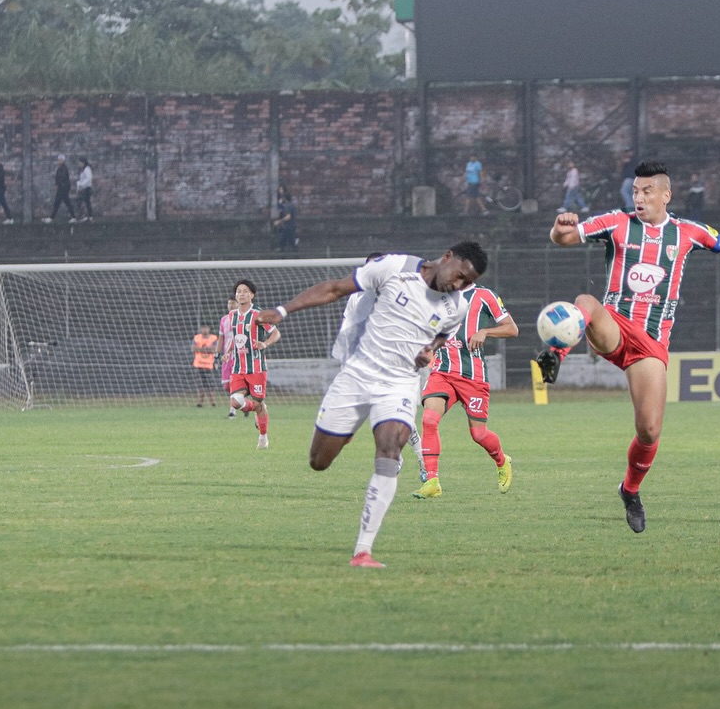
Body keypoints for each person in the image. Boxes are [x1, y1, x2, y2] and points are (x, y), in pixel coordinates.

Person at [538, 161, 720, 533]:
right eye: (635, 192)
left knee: (649, 431)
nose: (638, 198)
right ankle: (553, 356)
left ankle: (630, 490)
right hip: (615, 326)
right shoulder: (617, 224)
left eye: (647, 191)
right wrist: (559, 229)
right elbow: (565, 239)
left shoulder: (689, 232)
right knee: (586, 301)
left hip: (650, 344)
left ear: (666, 195)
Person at [255, 242, 486, 567]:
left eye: (467, 282)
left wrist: (429, 350)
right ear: (446, 258)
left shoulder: (456, 306)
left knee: (390, 450)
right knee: (318, 461)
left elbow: (443, 335)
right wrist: (281, 311)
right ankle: (345, 430)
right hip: (359, 374)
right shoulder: (395, 267)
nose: (459, 284)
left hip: (400, 382)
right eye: (459, 275)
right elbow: (334, 288)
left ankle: (363, 550)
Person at [412, 281, 519, 499]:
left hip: (473, 376)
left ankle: (502, 461)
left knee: (478, 434)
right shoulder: (438, 298)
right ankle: (432, 481)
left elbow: (512, 328)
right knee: (429, 420)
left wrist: (485, 332)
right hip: (442, 372)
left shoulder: (484, 296)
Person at [221, 280, 280, 448]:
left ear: (251, 295)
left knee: (258, 403)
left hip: (256, 367)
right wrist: (228, 352)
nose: (241, 294)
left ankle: (263, 437)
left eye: (245, 291)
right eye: (238, 291)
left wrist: (264, 344)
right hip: (238, 368)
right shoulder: (231, 316)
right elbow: (235, 337)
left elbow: (276, 334)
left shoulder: (258, 315)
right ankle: (258, 408)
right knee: (235, 402)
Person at [219, 296, 239, 418]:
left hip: (240, 356)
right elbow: (221, 338)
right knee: (227, 385)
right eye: (229, 303)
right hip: (227, 356)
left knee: (235, 384)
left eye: (233, 303)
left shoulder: (242, 318)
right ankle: (242, 404)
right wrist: (217, 354)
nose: (230, 305)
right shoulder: (224, 320)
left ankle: (232, 411)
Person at [42, 154, 75, 224]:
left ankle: (72, 217)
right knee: (61, 202)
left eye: (60, 160)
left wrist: (58, 184)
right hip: (61, 188)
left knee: (62, 202)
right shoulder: (60, 168)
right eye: (58, 160)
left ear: (63, 161)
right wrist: (56, 184)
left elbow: (62, 178)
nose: (59, 161)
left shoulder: (64, 169)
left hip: (63, 189)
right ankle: (72, 216)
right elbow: (58, 178)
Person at [192, 323, 219, 408]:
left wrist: (200, 349)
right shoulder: (197, 337)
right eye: (203, 328)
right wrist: (207, 349)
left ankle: (212, 402)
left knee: (211, 385)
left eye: (206, 328)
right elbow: (193, 349)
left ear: (209, 329)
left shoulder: (213, 338)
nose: (204, 330)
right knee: (200, 384)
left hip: (209, 365)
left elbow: (214, 349)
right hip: (198, 364)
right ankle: (200, 402)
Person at [271, 186, 297, 253]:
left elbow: (288, 216)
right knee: (291, 244)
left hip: (287, 228)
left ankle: (283, 258)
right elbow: (281, 209)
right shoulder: (291, 205)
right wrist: (279, 203)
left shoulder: (288, 206)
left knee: (283, 243)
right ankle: (294, 257)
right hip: (291, 227)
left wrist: (278, 222)